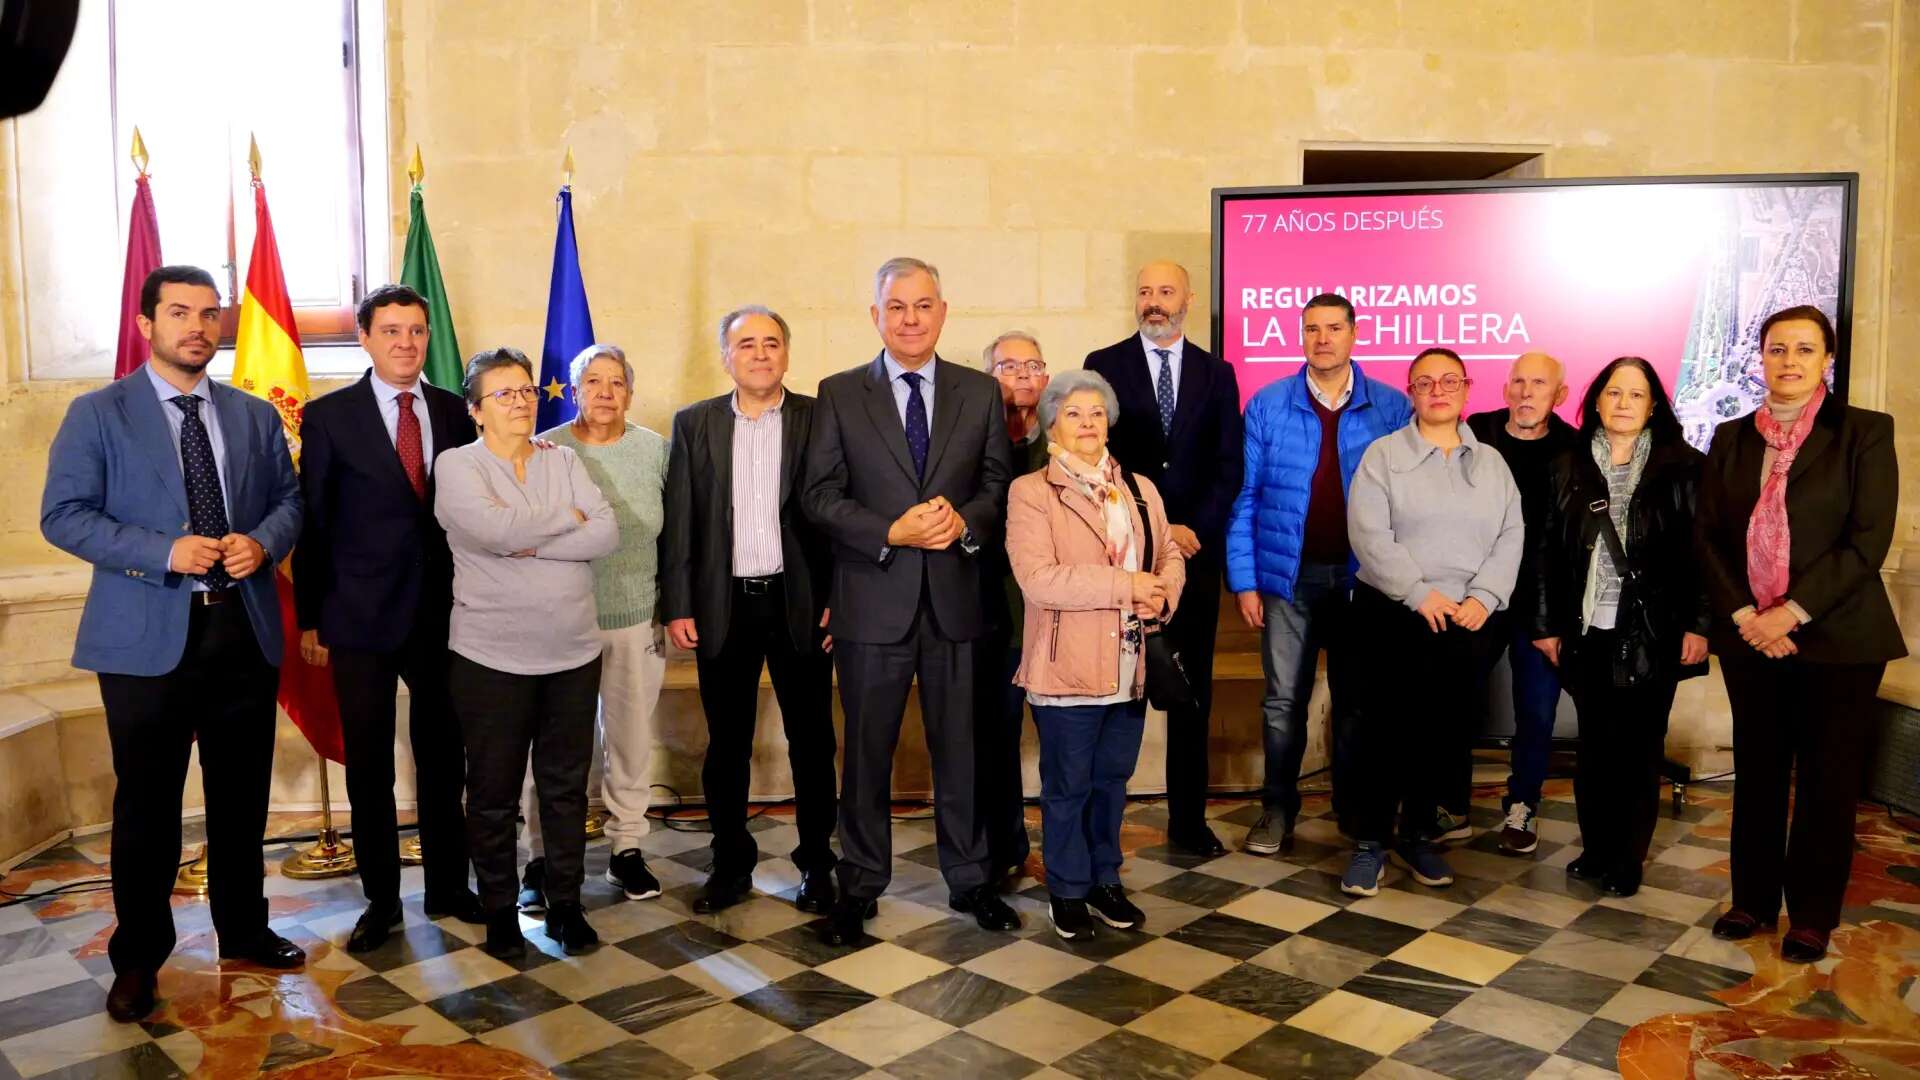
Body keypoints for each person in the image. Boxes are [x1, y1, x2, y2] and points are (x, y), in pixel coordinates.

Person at [41, 265, 306, 1023]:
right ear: (146, 324)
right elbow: (63, 515)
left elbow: (290, 500)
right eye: (180, 312)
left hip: (242, 630)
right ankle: (139, 960)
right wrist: (163, 551)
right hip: (144, 640)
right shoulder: (99, 414)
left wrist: (262, 541)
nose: (197, 326)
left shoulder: (254, 416)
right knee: (149, 808)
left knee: (239, 797)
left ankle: (245, 929)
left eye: (209, 314)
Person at [803, 257, 1018, 946]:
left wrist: (966, 523)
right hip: (873, 602)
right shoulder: (839, 393)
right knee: (865, 753)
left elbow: (996, 486)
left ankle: (973, 879)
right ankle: (859, 884)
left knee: (963, 751)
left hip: (957, 601)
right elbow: (818, 495)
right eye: (896, 307)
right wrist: (888, 532)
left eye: (923, 306)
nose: (910, 319)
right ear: (875, 316)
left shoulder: (979, 392)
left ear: (943, 312)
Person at [1697, 306, 1905, 963]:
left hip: (1838, 638)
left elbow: (1867, 539)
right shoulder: (1730, 437)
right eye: (1777, 348)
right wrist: (1745, 618)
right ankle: (1751, 901)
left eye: (1804, 349)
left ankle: (1812, 915)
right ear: (1759, 357)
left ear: (1827, 360)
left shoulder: (1864, 433)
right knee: (1758, 773)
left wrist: (1790, 612)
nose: (1789, 360)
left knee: (1827, 781)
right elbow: (1706, 538)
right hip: (1749, 638)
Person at [295, 284, 483, 954]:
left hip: (442, 613)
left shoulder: (456, 411)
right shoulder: (329, 417)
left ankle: (448, 887)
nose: (407, 343)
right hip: (358, 615)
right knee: (368, 762)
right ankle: (380, 899)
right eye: (393, 331)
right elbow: (314, 522)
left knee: (443, 756)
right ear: (365, 339)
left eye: (418, 331)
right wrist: (312, 617)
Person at [435, 347, 617, 959]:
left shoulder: (563, 458)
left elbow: (606, 530)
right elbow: (493, 532)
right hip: (490, 659)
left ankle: (565, 904)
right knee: (492, 793)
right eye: (504, 394)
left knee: (565, 790)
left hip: (572, 652)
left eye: (526, 391)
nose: (520, 402)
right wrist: (562, 521)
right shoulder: (457, 466)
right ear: (475, 410)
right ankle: (499, 914)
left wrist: (530, 538)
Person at [660, 307, 839, 916]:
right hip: (723, 606)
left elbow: (840, 515)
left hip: (803, 603)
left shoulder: (821, 418)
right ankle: (730, 863)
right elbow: (680, 521)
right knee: (727, 743)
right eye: (746, 344)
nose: (760, 355)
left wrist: (840, 596)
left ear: (787, 354)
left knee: (813, 740)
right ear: (726, 355)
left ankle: (818, 863)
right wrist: (679, 604)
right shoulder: (694, 424)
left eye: (771, 344)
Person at [1226, 293, 1410, 854]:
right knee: (1283, 702)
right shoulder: (1267, 404)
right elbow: (1247, 497)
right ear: (1300, 336)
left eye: (1333, 328)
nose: (1322, 338)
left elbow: (1406, 501)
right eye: (1311, 329)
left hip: (1364, 581)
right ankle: (1277, 809)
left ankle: (1357, 815)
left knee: (1358, 704)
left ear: (1355, 334)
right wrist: (1244, 580)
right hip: (1289, 579)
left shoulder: (1391, 407)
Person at [1007, 370, 1185, 940]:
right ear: (1051, 424)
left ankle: (1106, 879)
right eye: (1073, 414)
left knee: (1112, 780)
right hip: (1067, 668)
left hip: (1130, 666)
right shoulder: (1030, 492)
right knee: (1067, 787)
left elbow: (1170, 553)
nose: (1087, 423)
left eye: (1096, 413)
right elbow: (1040, 580)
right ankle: (1066, 889)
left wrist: (1162, 598)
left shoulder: (1138, 488)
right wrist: (1128, 585)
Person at [1342, 348, 1523, 896]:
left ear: (1468, 390)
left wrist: (1486, 596)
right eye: (1425, 383)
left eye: (1450, 381)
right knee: (1380, 732)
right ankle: (1370, 842)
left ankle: (1419, 834)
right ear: (1411, 392)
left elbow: (1510, 534)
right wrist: (1419, 593)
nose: (1438, 390)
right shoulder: (1383, 455)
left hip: (1466, 620)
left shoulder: (1491, 462)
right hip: (1394, 613)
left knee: (1438, 734)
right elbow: (1369, 535)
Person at [1529, 357, 1708, 898]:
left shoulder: (1685, 466)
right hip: (1586, 629)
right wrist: (1544, 623)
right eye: (1613, 392)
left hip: (1654, 629)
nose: (1624, 403)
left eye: (1636, 394)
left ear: (1653, 405)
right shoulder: (1567, 466)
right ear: (1596, 402)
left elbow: (1703, 555)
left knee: (1640, 749)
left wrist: (1699, 625)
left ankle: (1628, 857)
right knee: (1596, 746)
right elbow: (1543, 553)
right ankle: (1596, 847)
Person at [1084, 261, 1243, 856]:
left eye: (1166, 291)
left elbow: (1230, 464)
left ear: (1189, 299)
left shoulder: (1217, 373)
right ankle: (1102, 826)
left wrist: (1192, 528)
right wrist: (1158, 526)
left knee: (1190, 693)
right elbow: (1100, 457)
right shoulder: (1104, 365)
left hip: (1196, 562)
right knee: (1117, 692)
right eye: (1145, 291)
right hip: (1126, 558)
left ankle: (1188, 821)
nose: (1154, 302)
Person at [514, 344, 669, 910]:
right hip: (560, 622)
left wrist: (670, 608)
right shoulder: (545, 450)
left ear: (630, 391)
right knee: (552, 747)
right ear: (574, 389)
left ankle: (626, 849)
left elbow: (676, 537)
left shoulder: (656, 451)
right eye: (593, 381)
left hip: (635, 619)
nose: (606, 392)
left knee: (628, 741)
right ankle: (539, 858)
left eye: (617, 382)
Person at [1465, 351, 1581, 854]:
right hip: (1475, 594)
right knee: (1451, 697)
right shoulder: (1477, 432)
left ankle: (1523, 804)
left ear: (1560, 396)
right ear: (1505, 388)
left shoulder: (1577, 451)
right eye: (1518, 382)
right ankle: (1443, 801)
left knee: (1536, 709)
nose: (1526, 392)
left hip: (1541, 603)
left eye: (1539, 384)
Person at [976, 330, 1053, 881]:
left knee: (1062, 742)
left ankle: (1071, 852)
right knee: (996, 738)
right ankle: (1003, 847)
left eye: (1032, 364)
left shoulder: (1069, 436)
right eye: (1008, 366)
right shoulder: (973, 438)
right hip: (993, 615)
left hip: (1057, 618)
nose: (1023, 375)